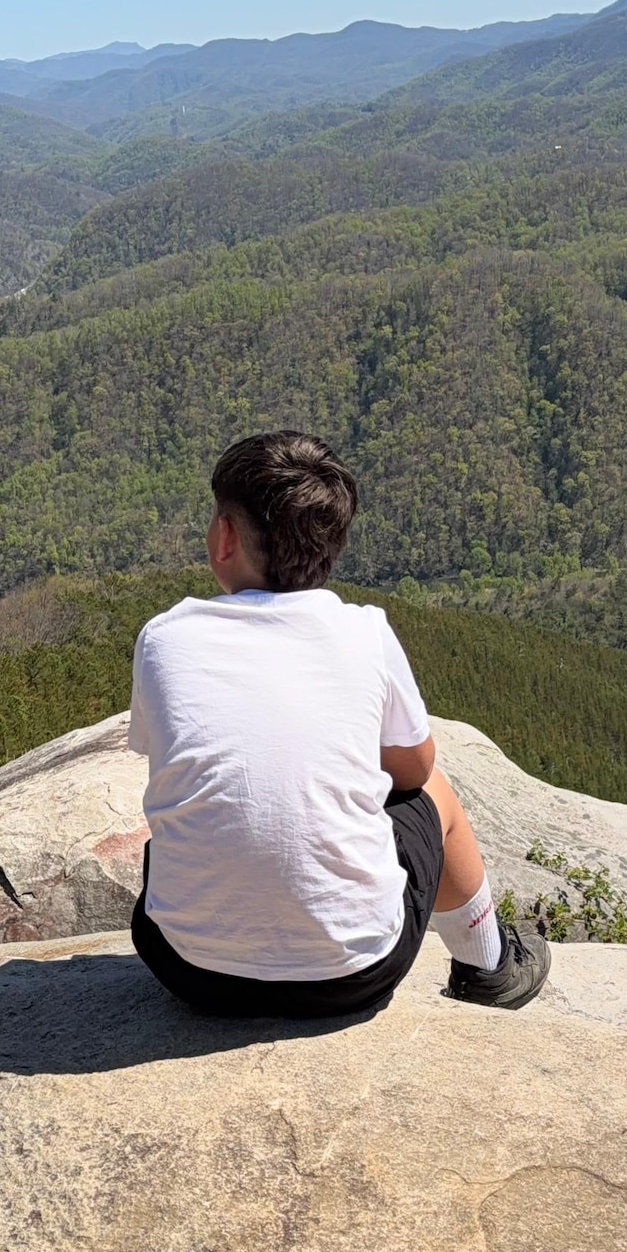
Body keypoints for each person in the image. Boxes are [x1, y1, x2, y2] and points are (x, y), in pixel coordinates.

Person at [123, 429, 546, 1016]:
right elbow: (415, 769)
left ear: (224, 537)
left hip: (189, 971)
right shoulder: (364, 631)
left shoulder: (164, 638)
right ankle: (488, 968)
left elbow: (167, 752)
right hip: (354, 975)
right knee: (437, 792)